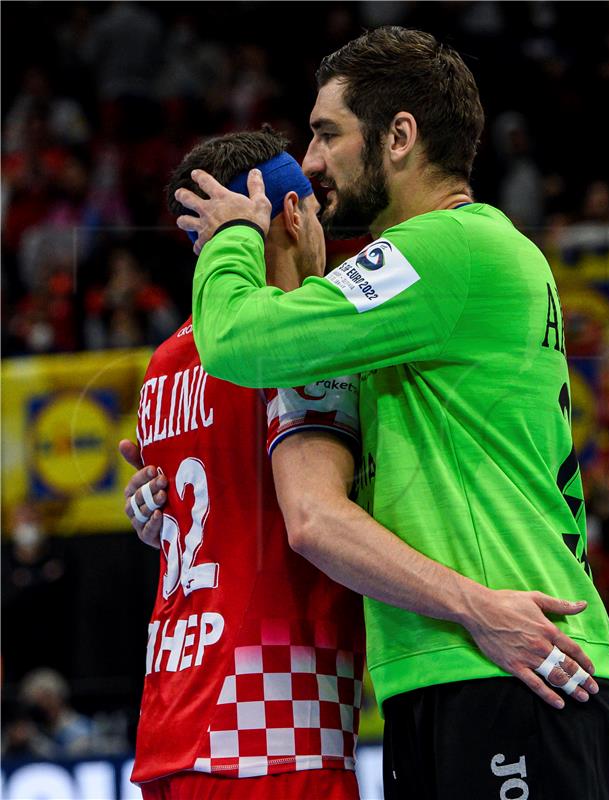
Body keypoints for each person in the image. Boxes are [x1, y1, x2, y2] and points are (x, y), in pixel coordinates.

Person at [177, 27, 609, 799]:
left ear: (400, 136)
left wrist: (232, 240)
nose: (313, 162)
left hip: (511, 655)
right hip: (455, 661)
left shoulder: (446, 248)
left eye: (327, 134)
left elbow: (239, 342)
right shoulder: (433, 269)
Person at [120, 128, 365, 800]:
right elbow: (323, 516)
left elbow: (206, 509)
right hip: (278, 736)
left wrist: (152, 518)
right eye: (314, 211)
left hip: (169, 725)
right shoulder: (301, 338)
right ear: (290, 214)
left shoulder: (163, 363)